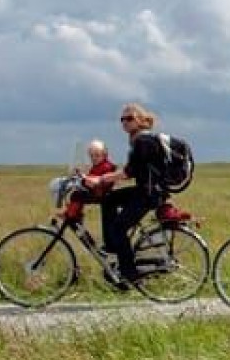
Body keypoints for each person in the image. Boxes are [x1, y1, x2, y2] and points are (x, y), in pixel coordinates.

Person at [89, 103, 168, 286]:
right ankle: (113, 247)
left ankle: (130, 275)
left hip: (149, 194)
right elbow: (132, 171)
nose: (124, 122)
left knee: (118, 228)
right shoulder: (137, 140)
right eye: (122, 119)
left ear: (140, 120)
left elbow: (128, 172)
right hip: (144, 190)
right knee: (108, 200)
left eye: (129, 118)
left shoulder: (143, 140)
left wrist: (102, 179)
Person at [58, 139, 115, 222]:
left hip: (99, 193)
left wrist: (84, 178)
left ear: (104, 155)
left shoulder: (106, 166)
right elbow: (91, 177)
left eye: (97, 155)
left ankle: (71, 214)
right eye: (91, 156)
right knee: (78, 194)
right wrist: (82, 176)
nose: (94, 158)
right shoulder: (99, 165)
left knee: (77, 195)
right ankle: (75, 213)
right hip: (97, 191)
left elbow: (96, 179)